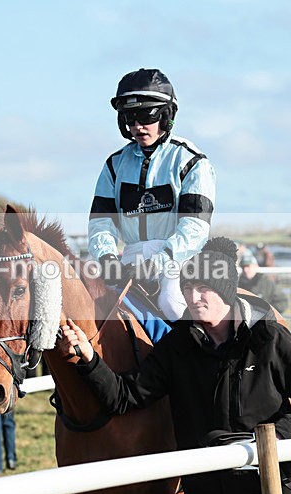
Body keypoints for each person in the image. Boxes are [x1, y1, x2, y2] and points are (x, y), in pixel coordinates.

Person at [60, 236, 291, 494]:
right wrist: (89, 359)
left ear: (225, 291)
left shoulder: (267, 338)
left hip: (271, 492)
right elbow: (124, 396)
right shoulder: (176, 347)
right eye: (188, 289)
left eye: (203, 288)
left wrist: (282, 434)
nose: (193, 297)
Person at [88, 68, 217, 321]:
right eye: (130, 118)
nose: (137, 126)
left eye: (146, 116)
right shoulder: (114, 164)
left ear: (166, 116)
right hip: (129, 262)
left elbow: (195, 227)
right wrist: (107, 257)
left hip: (177, 261)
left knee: (171, 303)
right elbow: (100, 222)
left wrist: (161, 260)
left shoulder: (191, 161)